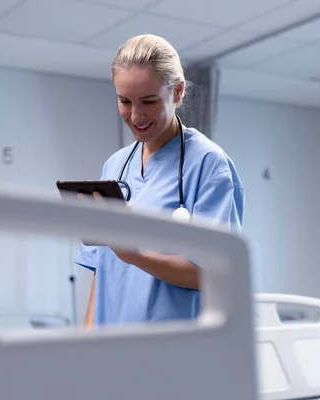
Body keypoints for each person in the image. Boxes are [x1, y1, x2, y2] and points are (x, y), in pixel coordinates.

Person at [73, 33, 245, 329]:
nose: (136, 115)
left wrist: (136, 254)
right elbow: (101, 270)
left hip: (172, 352)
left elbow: (215, 276)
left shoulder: (207, 164)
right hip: (110, 352)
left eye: (149, 101)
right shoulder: (114, 166)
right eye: (124, 101)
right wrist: (85, 342)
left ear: (177, 92)